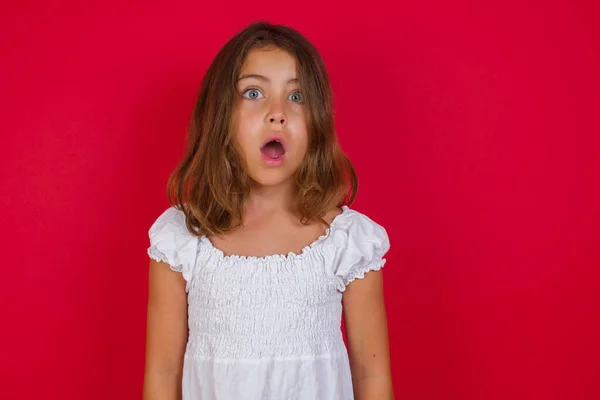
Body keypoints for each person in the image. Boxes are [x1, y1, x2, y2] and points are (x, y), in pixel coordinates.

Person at [143, 21, 394, 400]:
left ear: (317, 121)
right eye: (254, 92)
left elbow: (371, 376)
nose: (277, 113)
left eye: (297, 97)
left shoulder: (348, 242)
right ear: (221, 116)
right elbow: (163, 374)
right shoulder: (182, 239)